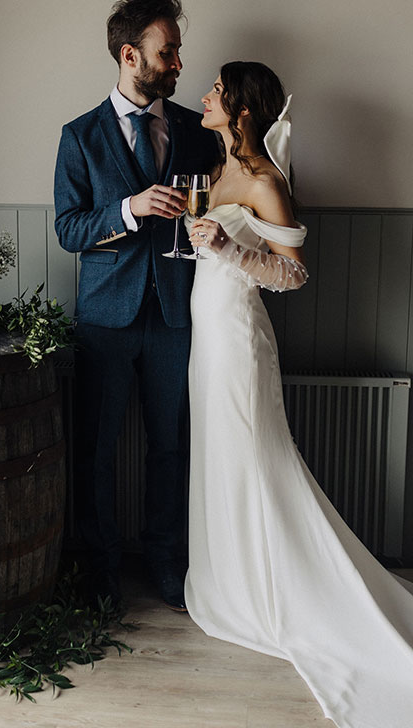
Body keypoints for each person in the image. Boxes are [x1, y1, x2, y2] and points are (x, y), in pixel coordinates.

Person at [184, 60, 413, 727]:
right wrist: (206, 238)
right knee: (222, 460)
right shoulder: (217, 170)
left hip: (238, 339)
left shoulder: (265, 181)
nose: (205, 95)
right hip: (207, 336)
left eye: (217, 92)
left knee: (258, 461)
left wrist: (227, 247)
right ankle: (230, 583)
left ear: (243, 110)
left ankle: (281, 594)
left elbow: (292, 274)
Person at [54, 0, 219, 610]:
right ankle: (99, 570)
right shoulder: (79, 136)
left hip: (178, 314)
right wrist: (129, 208)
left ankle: (168, 562)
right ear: (131, 55)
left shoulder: (193, 131)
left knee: (171, 444)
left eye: (176, 50)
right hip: (105, 320)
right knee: (96, 450)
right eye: (166, 51)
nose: (178, 61)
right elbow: (68, 230)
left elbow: (223, 199)